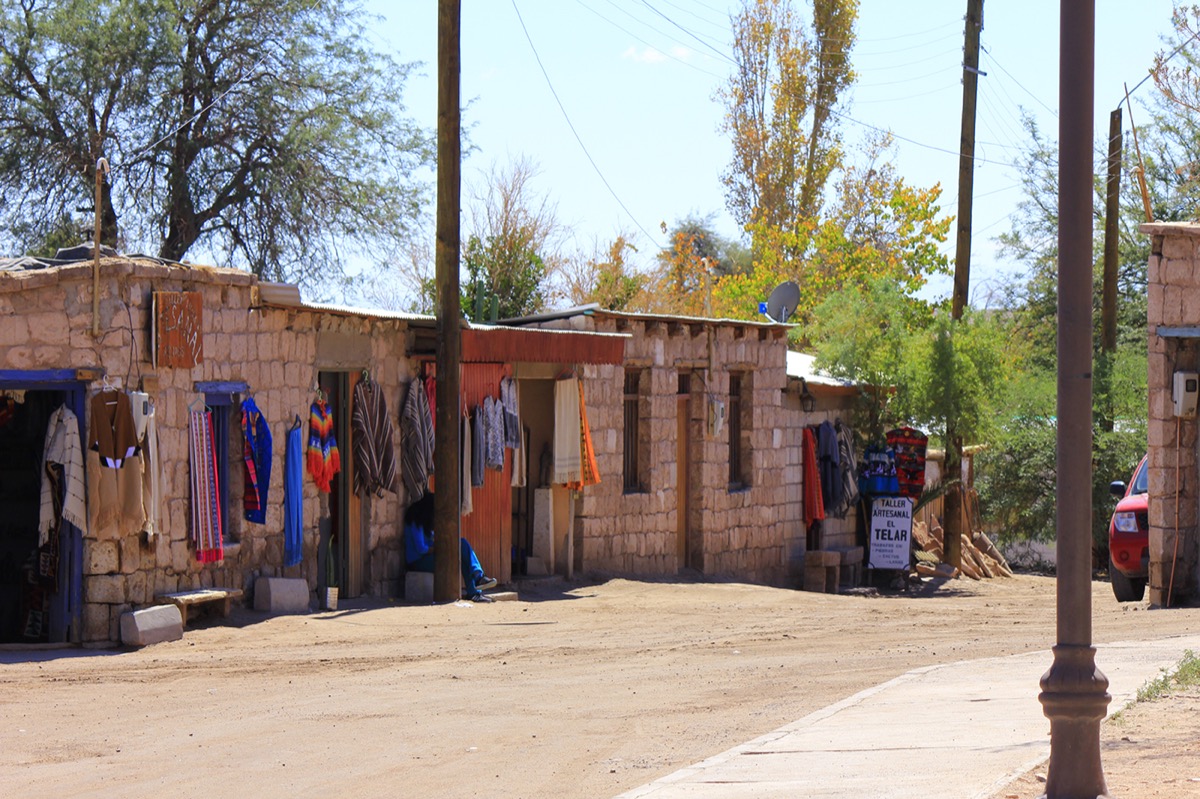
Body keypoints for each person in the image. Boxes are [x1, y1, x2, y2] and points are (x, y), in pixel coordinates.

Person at [404, 492, 498, 601]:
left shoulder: (425, 524)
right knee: (460, 550)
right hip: (418, 562)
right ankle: (476, 583)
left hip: (427, 558)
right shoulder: (415, 522)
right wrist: (440, 548)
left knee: (462, 545)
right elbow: (421, 548)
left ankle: (477, 581)